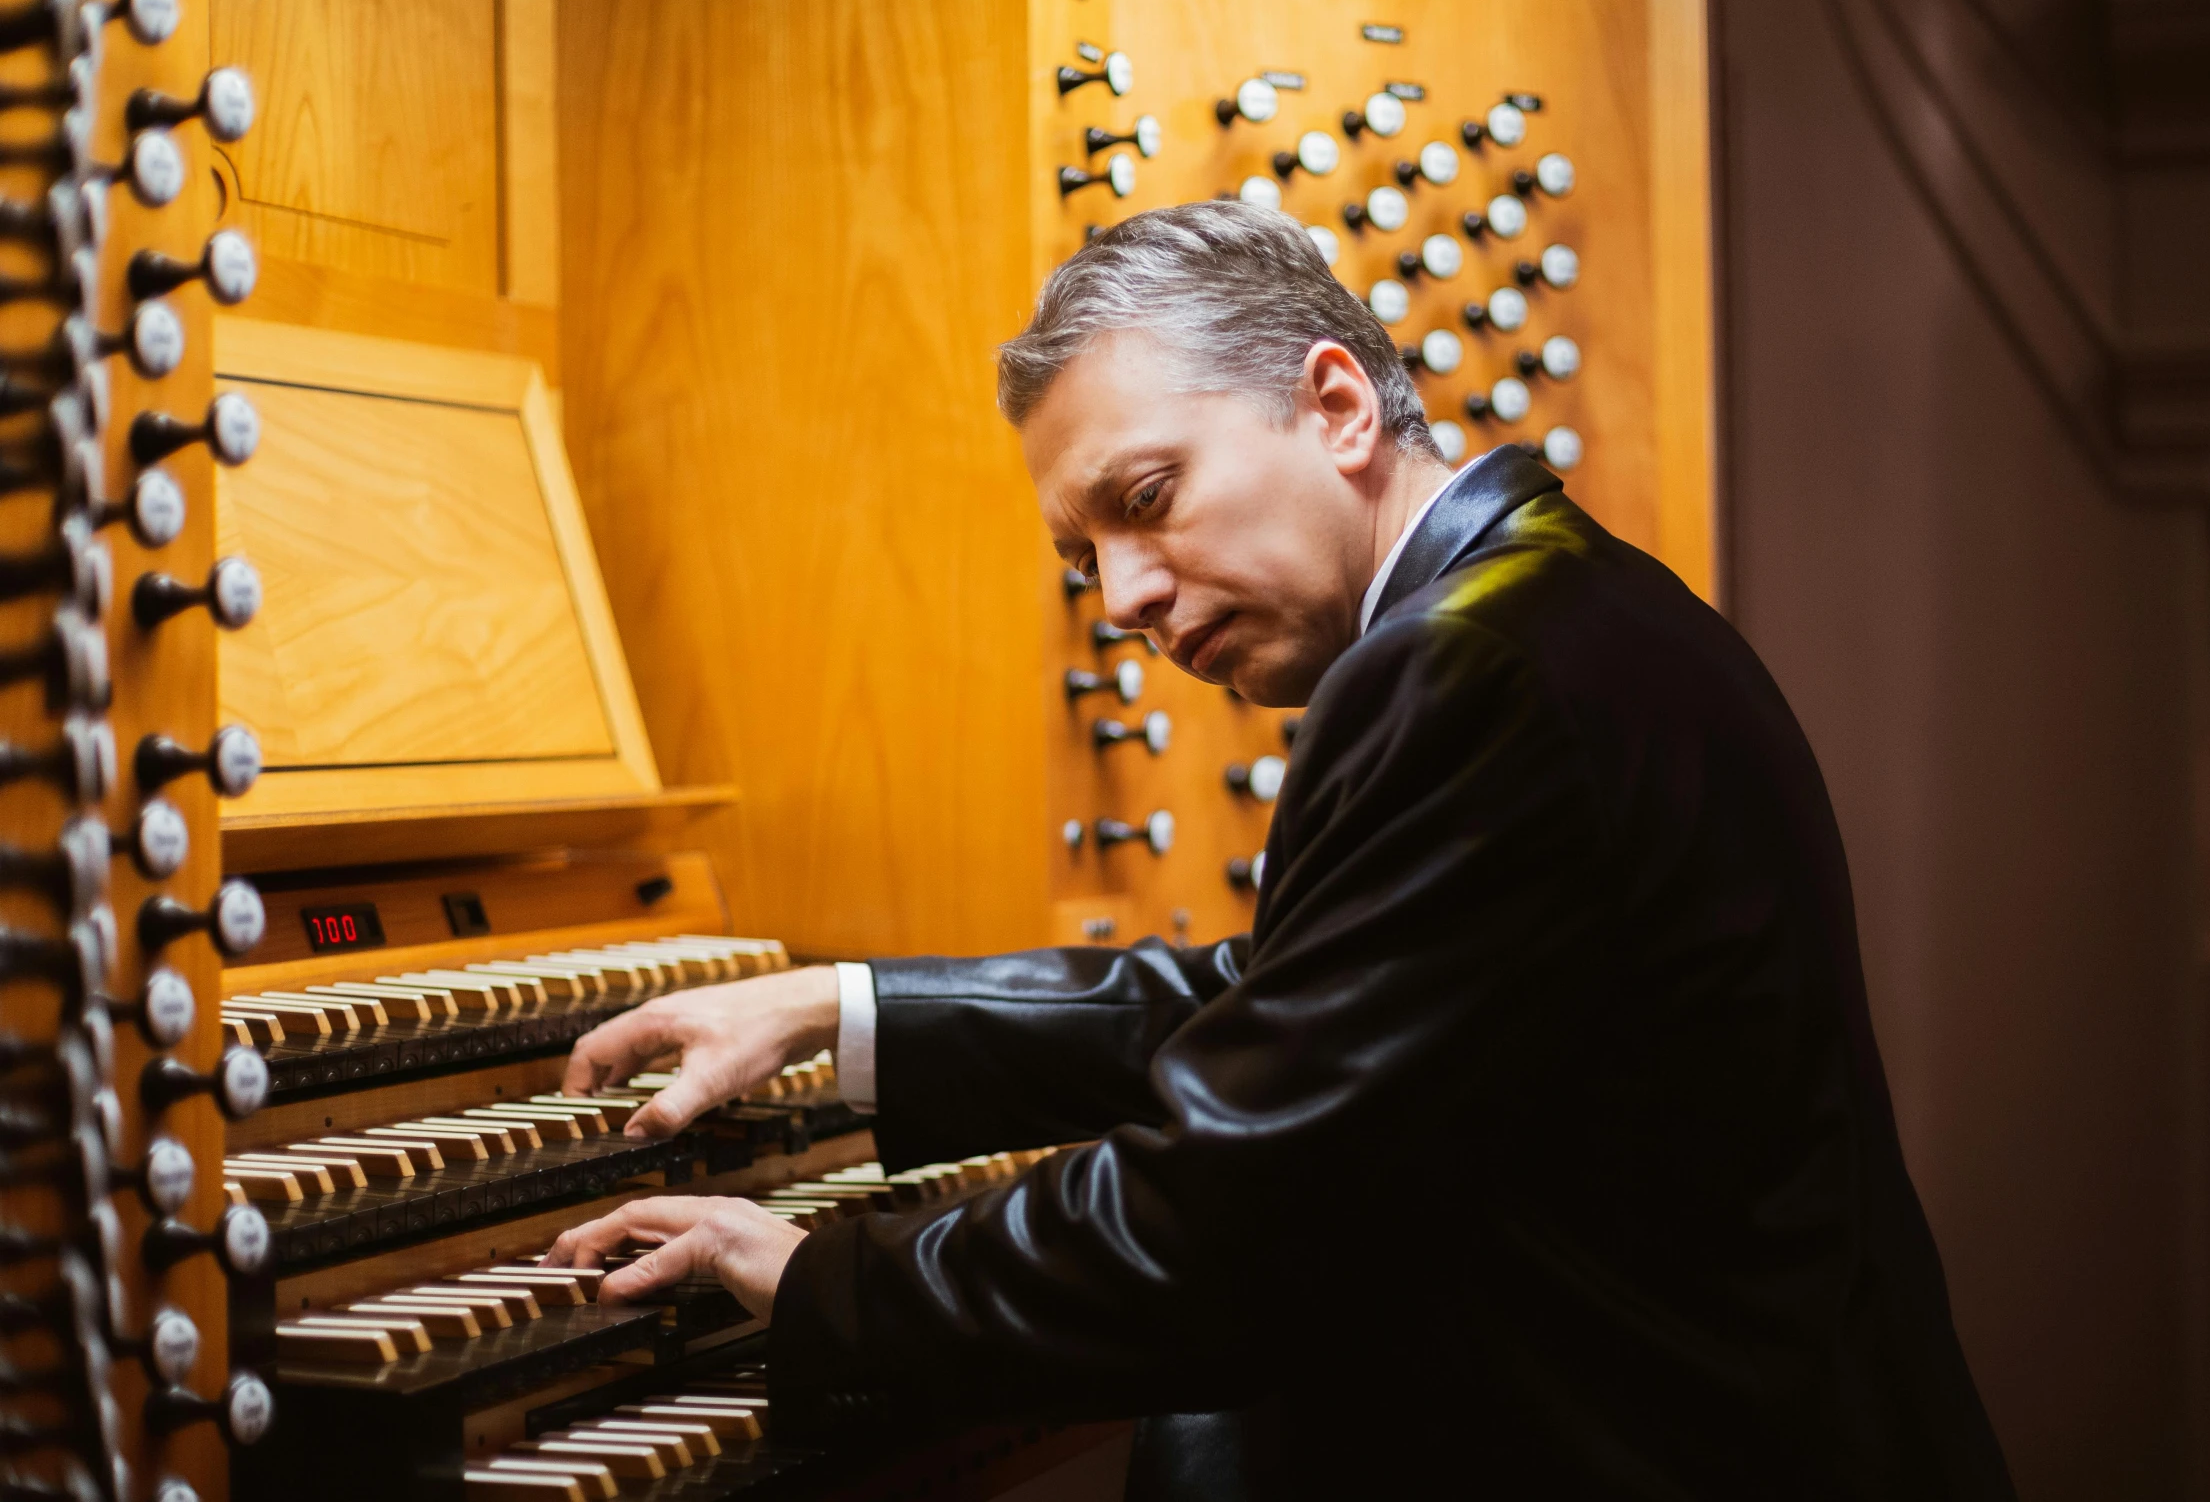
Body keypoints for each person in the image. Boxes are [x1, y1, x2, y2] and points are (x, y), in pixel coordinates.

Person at [542, 201, 2014, 1499]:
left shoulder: (1461, 670)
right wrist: (836, 1005)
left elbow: (1231, 1220)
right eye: (1082, 556)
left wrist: (822, 1277)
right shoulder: (1564, 607)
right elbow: (1295, 1004)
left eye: (1146, 498)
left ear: (1335, 408)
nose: (1118, 594)